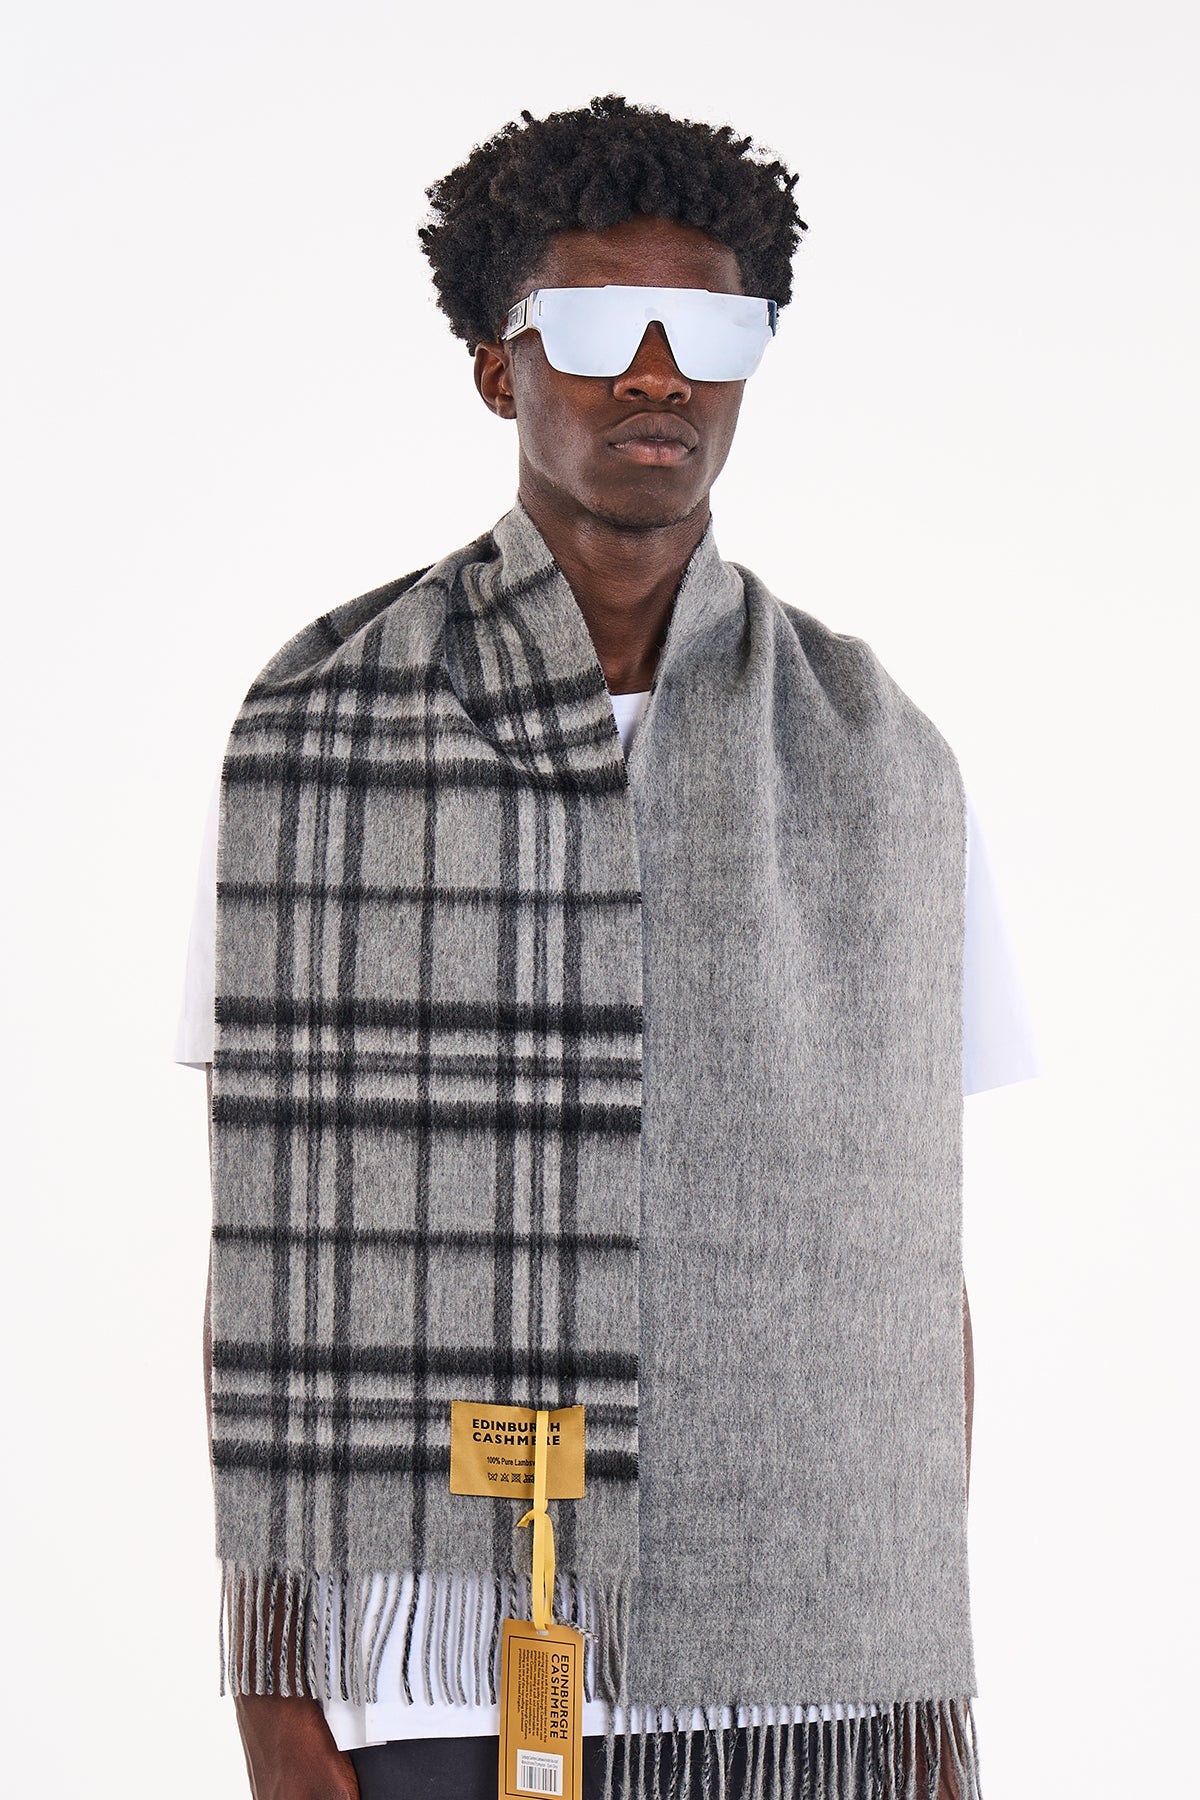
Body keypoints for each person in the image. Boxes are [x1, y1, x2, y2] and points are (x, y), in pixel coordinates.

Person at [175, 95, 1039, 1800]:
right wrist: (273, 1695)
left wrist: (923, 1679)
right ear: (498, 369)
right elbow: (264, 1242)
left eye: (708, 331)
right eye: (593, 327)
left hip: (807, 1655)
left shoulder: (880, 760)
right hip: (433, 1651)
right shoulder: (316, 738)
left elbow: (910, 1265)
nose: (657, 376)